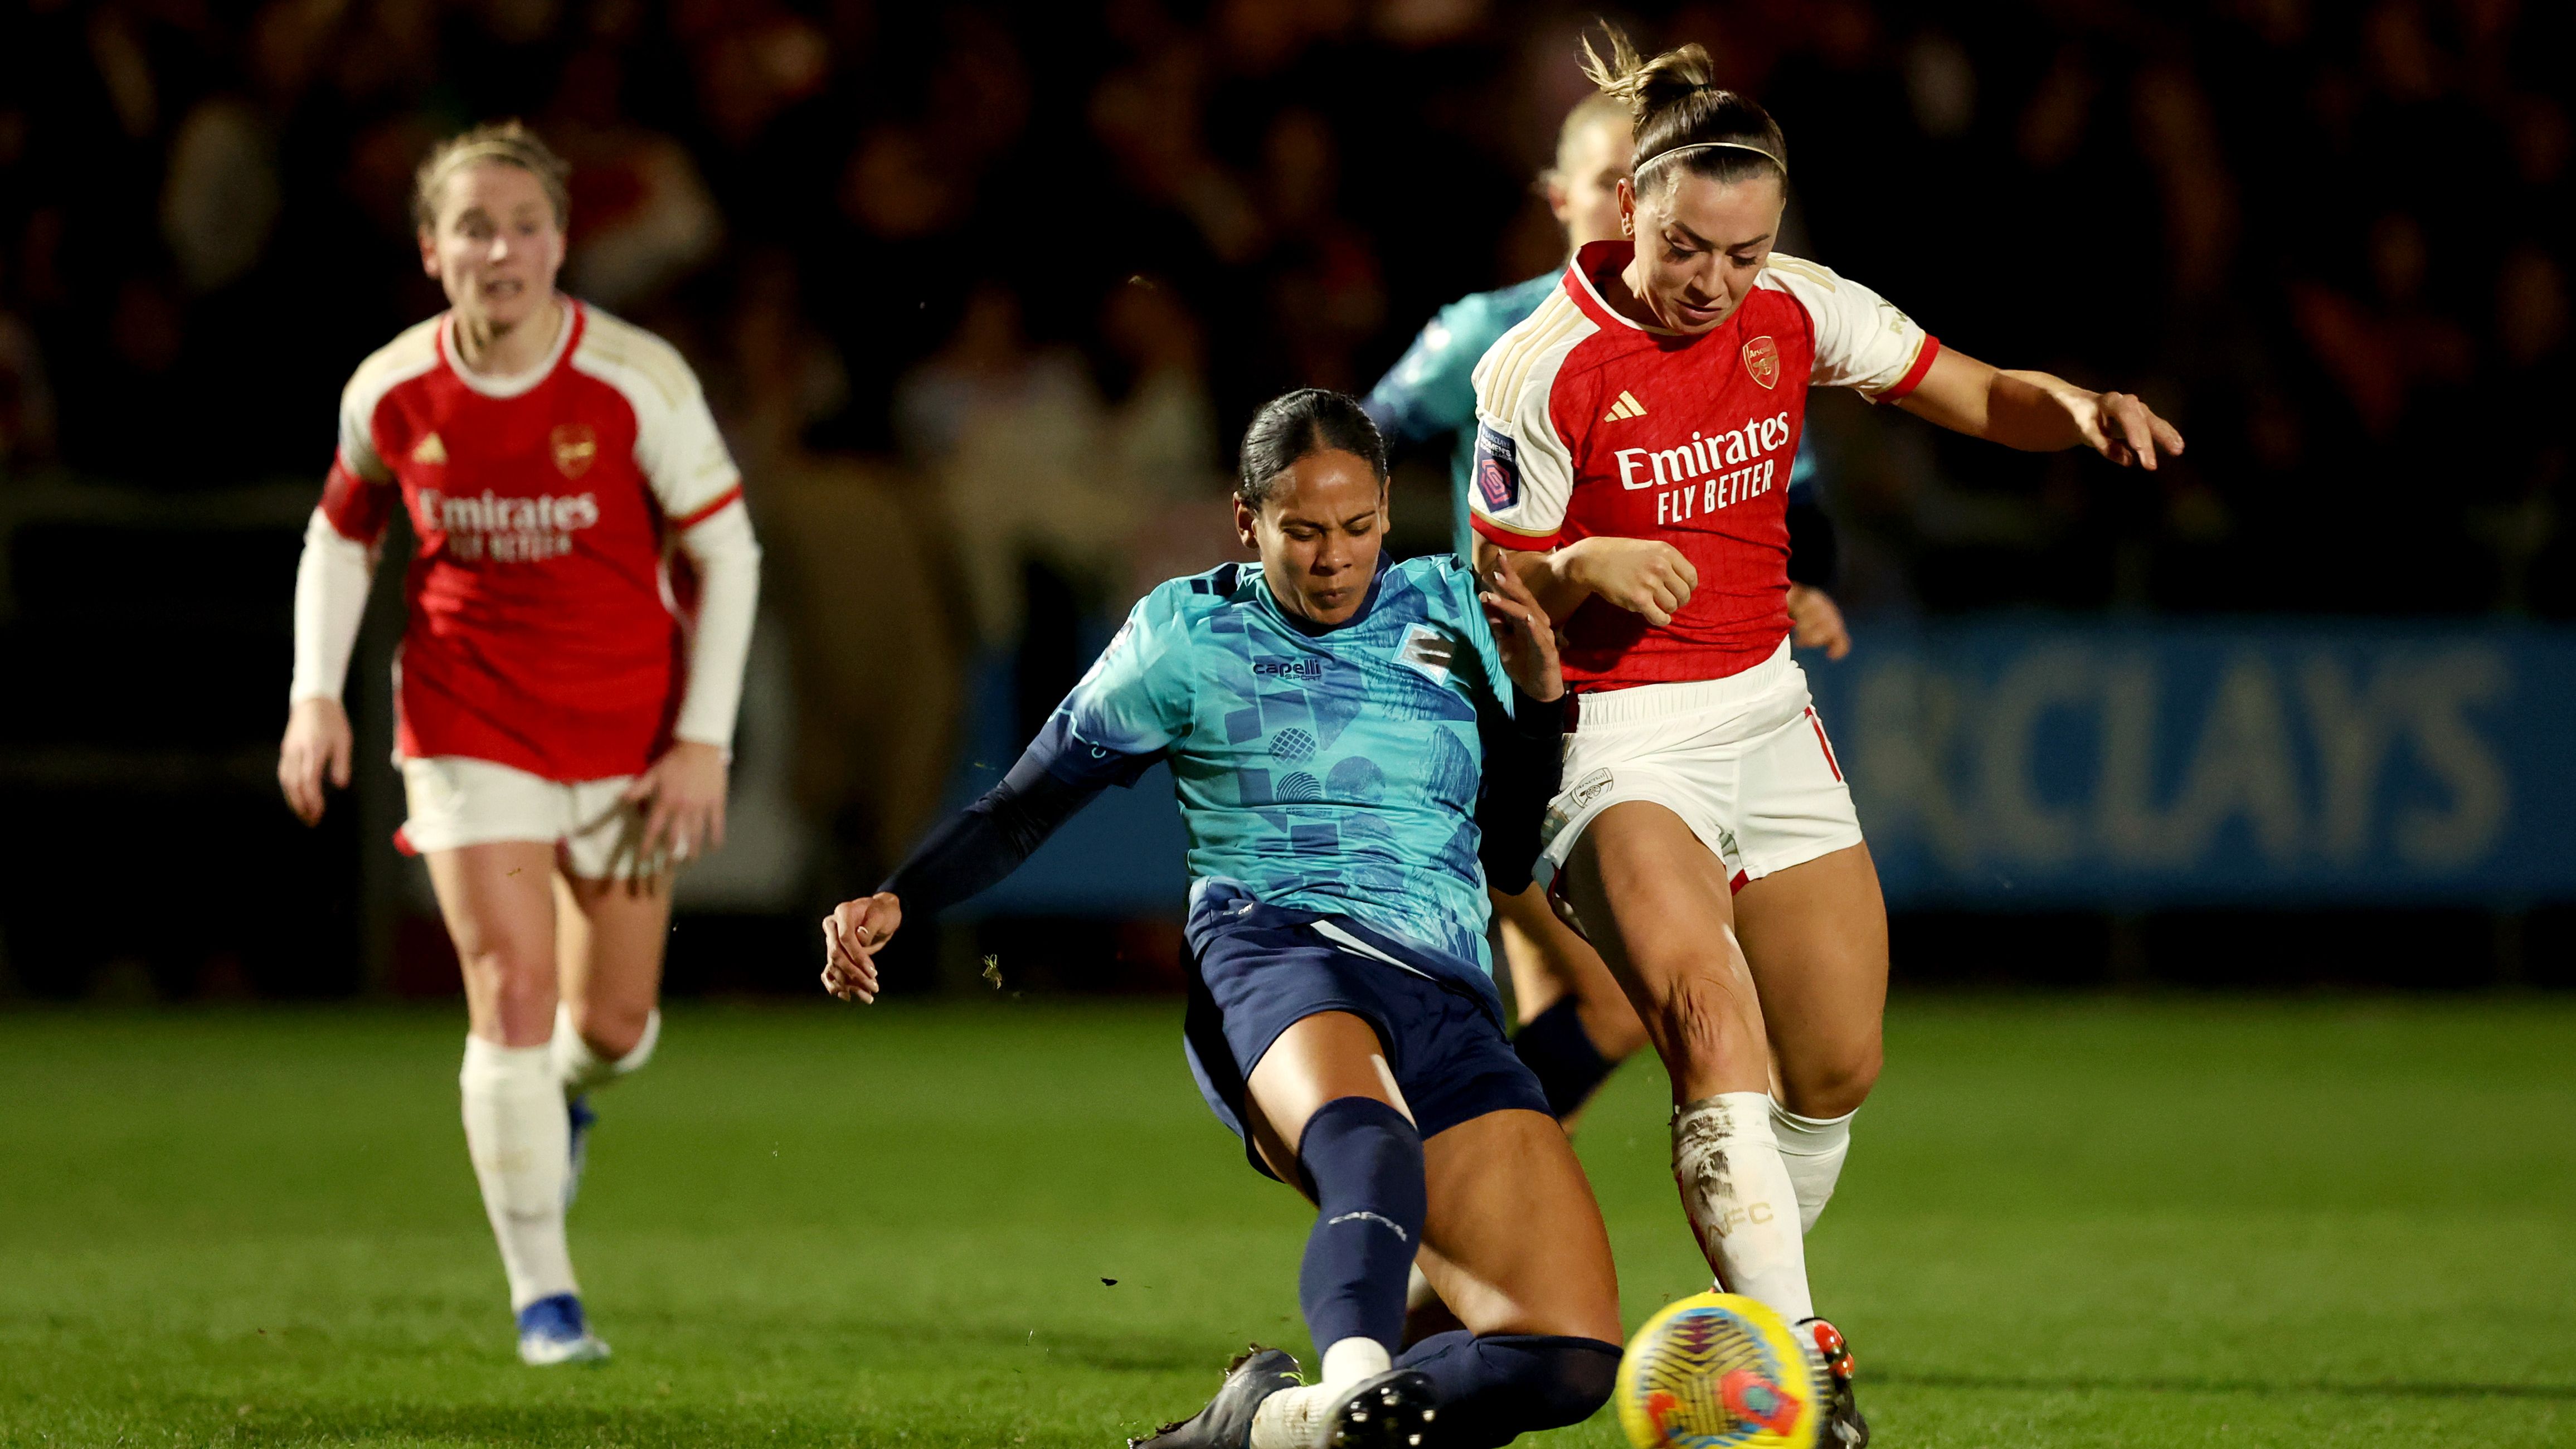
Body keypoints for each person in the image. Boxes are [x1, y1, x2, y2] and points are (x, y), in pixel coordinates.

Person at [1469, 31, 2186, 1449]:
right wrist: (1582, 564)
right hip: (1616, 738)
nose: (1716, 282)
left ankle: (1726, 1328)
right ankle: (1799, 1370)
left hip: (1766, 711)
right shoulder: (1535, 368)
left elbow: (1972, 388)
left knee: (1834, 1066)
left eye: (1744, 253)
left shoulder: (1793, 311)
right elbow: (1499, 582)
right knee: (1703, 1018)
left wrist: (2080, 409)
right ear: (1631, 212)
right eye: (1689, 249)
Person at [822, 391, 1621, 1449]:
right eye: (1301, 530)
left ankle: (1262, 1430)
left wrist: (1539, 706)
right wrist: (901, 895)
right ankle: (1350, 1390)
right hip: (1276, 958)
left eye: (1356, 527)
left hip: (1443, 993)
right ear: (1246, 522)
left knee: (1563, 1359)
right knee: (1369, 1144)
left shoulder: (1459, 605)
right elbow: (1023, 806)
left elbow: (1511, 849)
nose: (1333, 558)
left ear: (1387, 510)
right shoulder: (1186, 633)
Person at [275, 121, 761, 1366]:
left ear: (561, 241)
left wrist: (700, 743)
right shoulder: (390, 389)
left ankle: (566, 1099)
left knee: (610, 1022)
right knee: (512, 990)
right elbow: (343, 533)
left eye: (528, 225)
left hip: (623, 731)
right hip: (462, 722)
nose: (505, 249)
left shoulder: (635, 378)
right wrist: (314, 695)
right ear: (433, 248)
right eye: (475, 228)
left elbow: (727, 548)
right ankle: (546, 1298)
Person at [1362, 92, 1852, 1131]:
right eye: (1603, 186)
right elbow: (1352, 454)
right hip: (1502, 706)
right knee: (1610, 1010)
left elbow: (1789, 501)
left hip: (1606, 708)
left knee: (1567, 1019)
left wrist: (1799, 586)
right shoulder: (1499, 341)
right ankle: (1410, 1180)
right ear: (1577, 197)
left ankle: (1469, 1251)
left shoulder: (1733, 339)